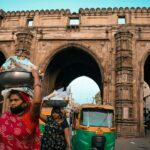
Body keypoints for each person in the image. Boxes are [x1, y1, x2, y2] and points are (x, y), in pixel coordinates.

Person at [0, 69, 42, 150]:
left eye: (16, 100)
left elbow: (36, 102)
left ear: (25, 102)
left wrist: (36, 77)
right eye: (11, 100)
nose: (12, 103)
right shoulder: (6, 117)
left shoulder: (31, 117)